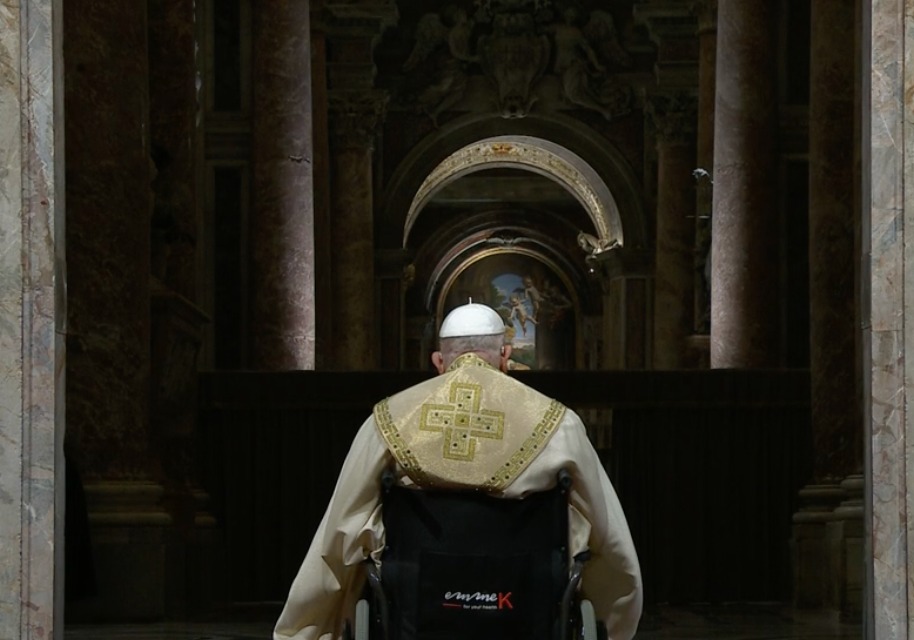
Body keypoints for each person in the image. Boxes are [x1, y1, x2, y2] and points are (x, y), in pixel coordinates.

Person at [273, 302, 643, 640]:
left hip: (417, 613)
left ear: (438, 361)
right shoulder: (559, 424)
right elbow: (610, 543)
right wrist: (613, 616)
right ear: (506, 356)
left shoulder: (387, 421)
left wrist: (308, 627)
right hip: (526, 610)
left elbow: (340, 533)